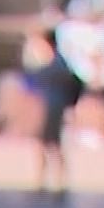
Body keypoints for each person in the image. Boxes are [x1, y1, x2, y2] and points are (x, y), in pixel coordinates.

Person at [29, 27, 84, 195]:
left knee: (53, 146)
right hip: (51, 107)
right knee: (47, 146)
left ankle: (57, 183)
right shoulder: (55, 62)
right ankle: (45, 182)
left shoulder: (57, 64)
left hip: (55, 108)